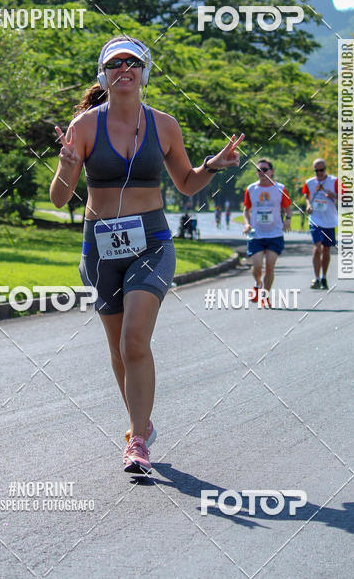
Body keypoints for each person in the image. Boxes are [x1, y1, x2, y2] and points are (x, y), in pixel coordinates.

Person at [50, 36, 244, 474]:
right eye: (115, 63)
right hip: (100, 246)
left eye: (133, 62)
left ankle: (137, 441)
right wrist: (66, 164)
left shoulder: (165, 125)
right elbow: (60, 199)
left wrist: (212, 165)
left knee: (135, 338)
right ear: (104, 74)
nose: (125, 69)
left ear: (144, 72)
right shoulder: (83, 126)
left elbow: (187, 184)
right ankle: (140, 421)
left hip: (152, 242)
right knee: (119, 348)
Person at [242, 158, 291, 309]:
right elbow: (246, 209)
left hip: (274, 234)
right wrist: (247, 223)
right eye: (259, 170)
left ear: (272, 171)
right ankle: (257, 284)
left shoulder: (280, 188)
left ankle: (266, 296)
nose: (261, 173)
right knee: (257, 266)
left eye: (265, 170)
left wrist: (288, 219)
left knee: (270, 266)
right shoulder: (251, 189)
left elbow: (288, 208)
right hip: (256, 234)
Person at [302, 158, 339, 290]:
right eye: (316, 171)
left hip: (329, 220)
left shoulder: (334, 181)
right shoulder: (309, 182)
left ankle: (324, 277)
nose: (319, 173)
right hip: (315, 219)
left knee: (326, 249)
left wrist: (334, 195)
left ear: (325, 169)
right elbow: (306, 194)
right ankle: (316, 278)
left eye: (321, 170)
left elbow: (346, 197)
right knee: (317, 248)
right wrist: (308, 205)